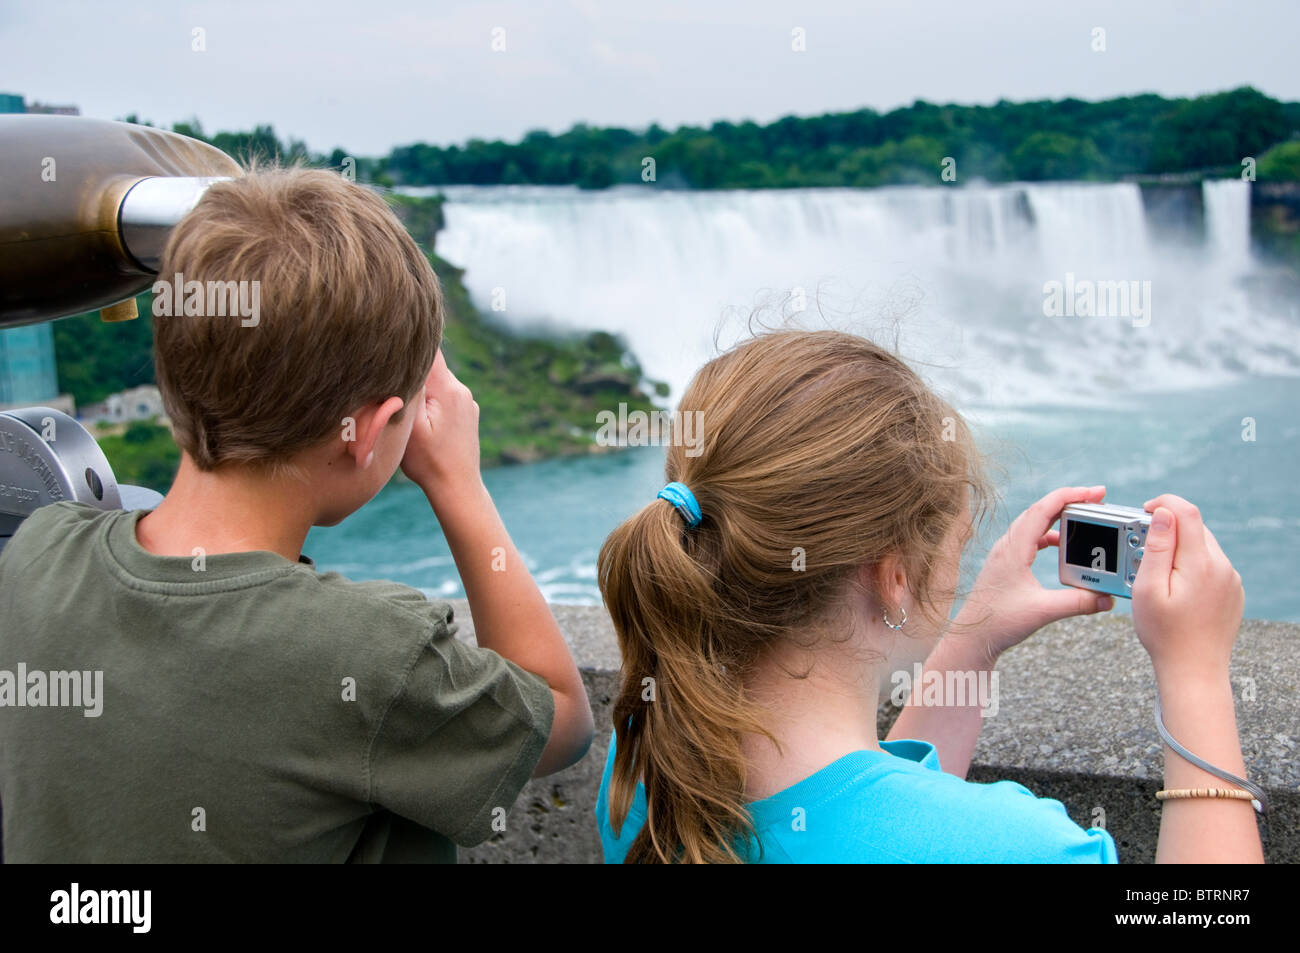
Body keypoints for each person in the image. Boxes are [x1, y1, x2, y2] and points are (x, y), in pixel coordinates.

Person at [0, 167, 593, 862]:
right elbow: (562, 717)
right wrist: (459, 482)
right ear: (369, 435)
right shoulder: (376, 656)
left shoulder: (36, 557)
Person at [594, 329, 1263, 863]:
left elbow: (863, 810)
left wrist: (969, 644)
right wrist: (1195, 671)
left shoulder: (647, 774)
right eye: (956, 542)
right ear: (895, 576)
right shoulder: (1021, 848)